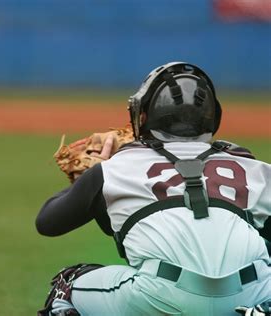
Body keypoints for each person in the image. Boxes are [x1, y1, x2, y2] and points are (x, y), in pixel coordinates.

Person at [36, 62, 271, 316]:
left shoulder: (116, 168)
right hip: (254, 293)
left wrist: (90, 178)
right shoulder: (252, 167)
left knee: (66, 285)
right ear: (213, 116)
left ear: (143, 116)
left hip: (161, 295)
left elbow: (48, 222)